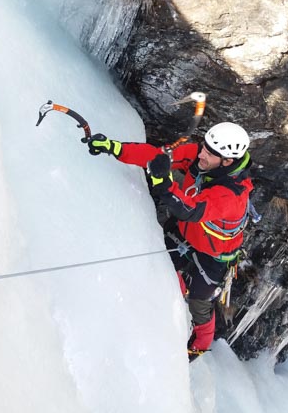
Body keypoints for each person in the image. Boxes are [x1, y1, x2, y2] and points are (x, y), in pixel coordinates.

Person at [85, 121, 253, 360]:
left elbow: (190, 209)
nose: (201, 154)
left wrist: (163, 184)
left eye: (209, 153)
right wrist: (114, 148)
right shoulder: (203, 157)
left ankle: (197, 348)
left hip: (213, 256)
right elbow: (156, 157)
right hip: (184, 233)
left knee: (200, 303)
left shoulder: (232, 195)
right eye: (203, 146)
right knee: (161, 273)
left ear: (227, 161)